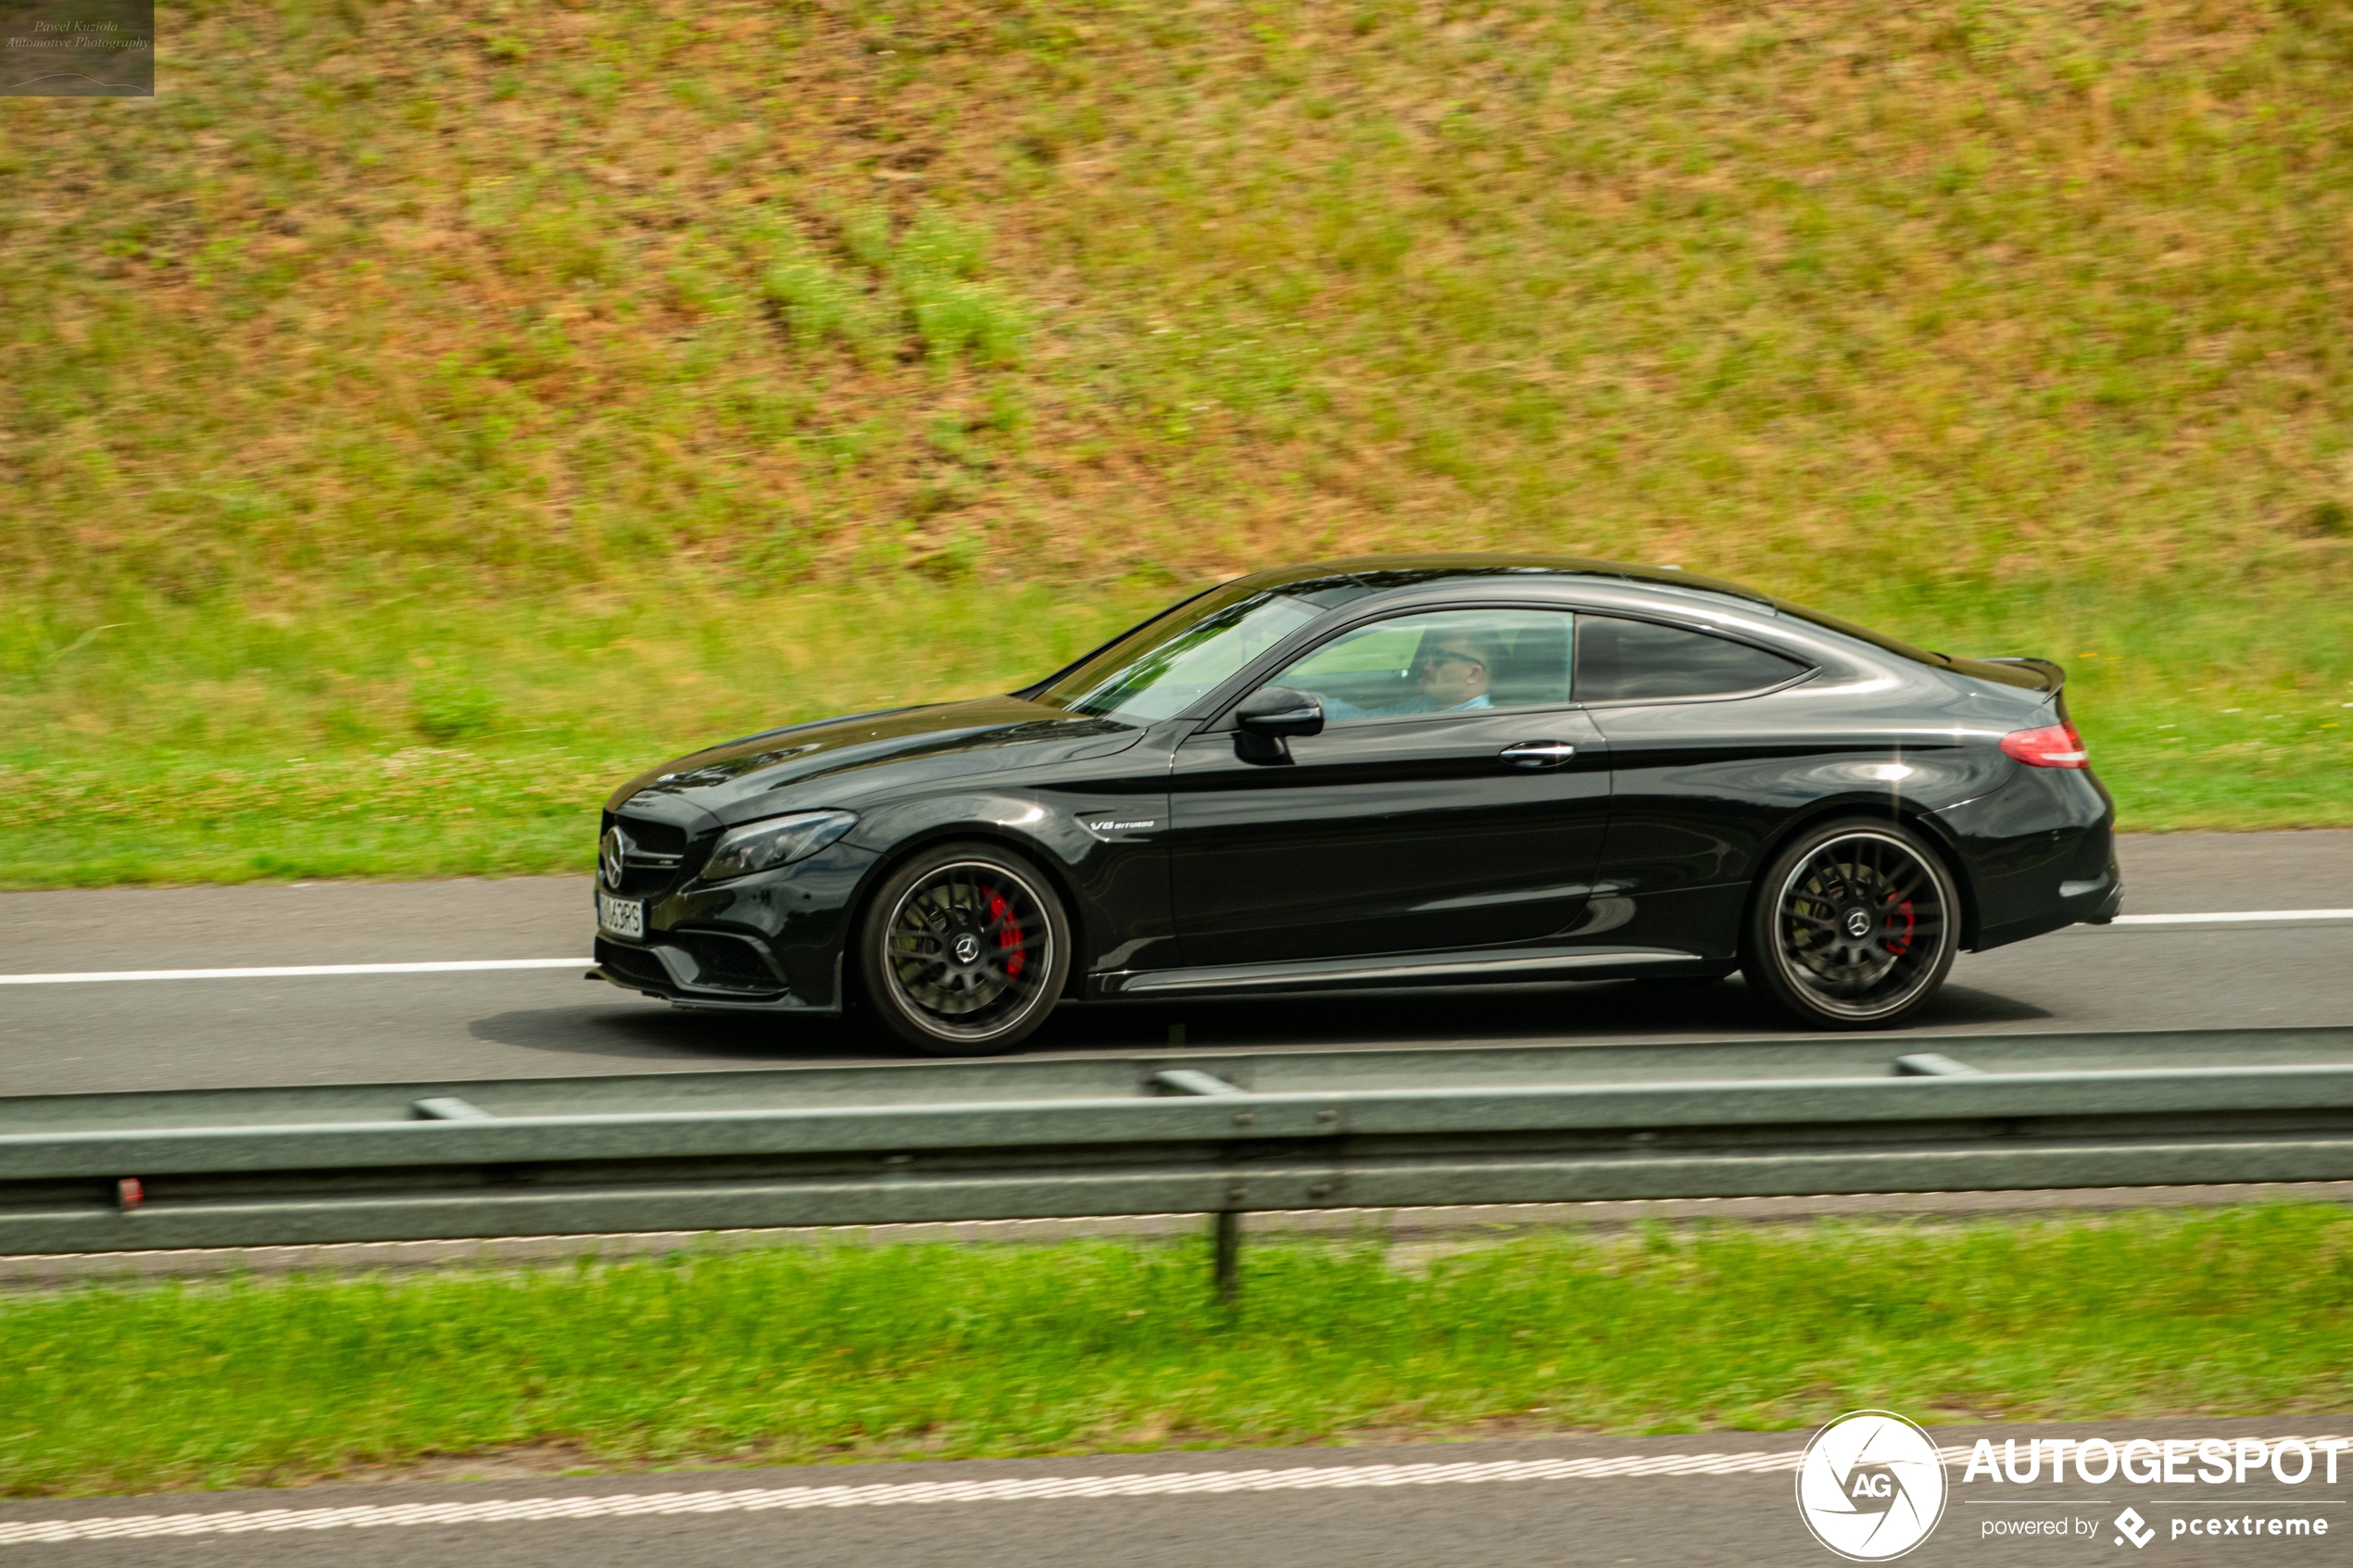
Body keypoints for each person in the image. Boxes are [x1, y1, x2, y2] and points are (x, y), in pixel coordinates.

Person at [1323, 629, 1501, 720]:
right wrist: (1316, 703)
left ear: (1473, 673)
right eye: (1430, 657)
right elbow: (1363, 722)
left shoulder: (1474, 724)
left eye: (1439, 659)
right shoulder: (1425, 705)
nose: (1428, 666)